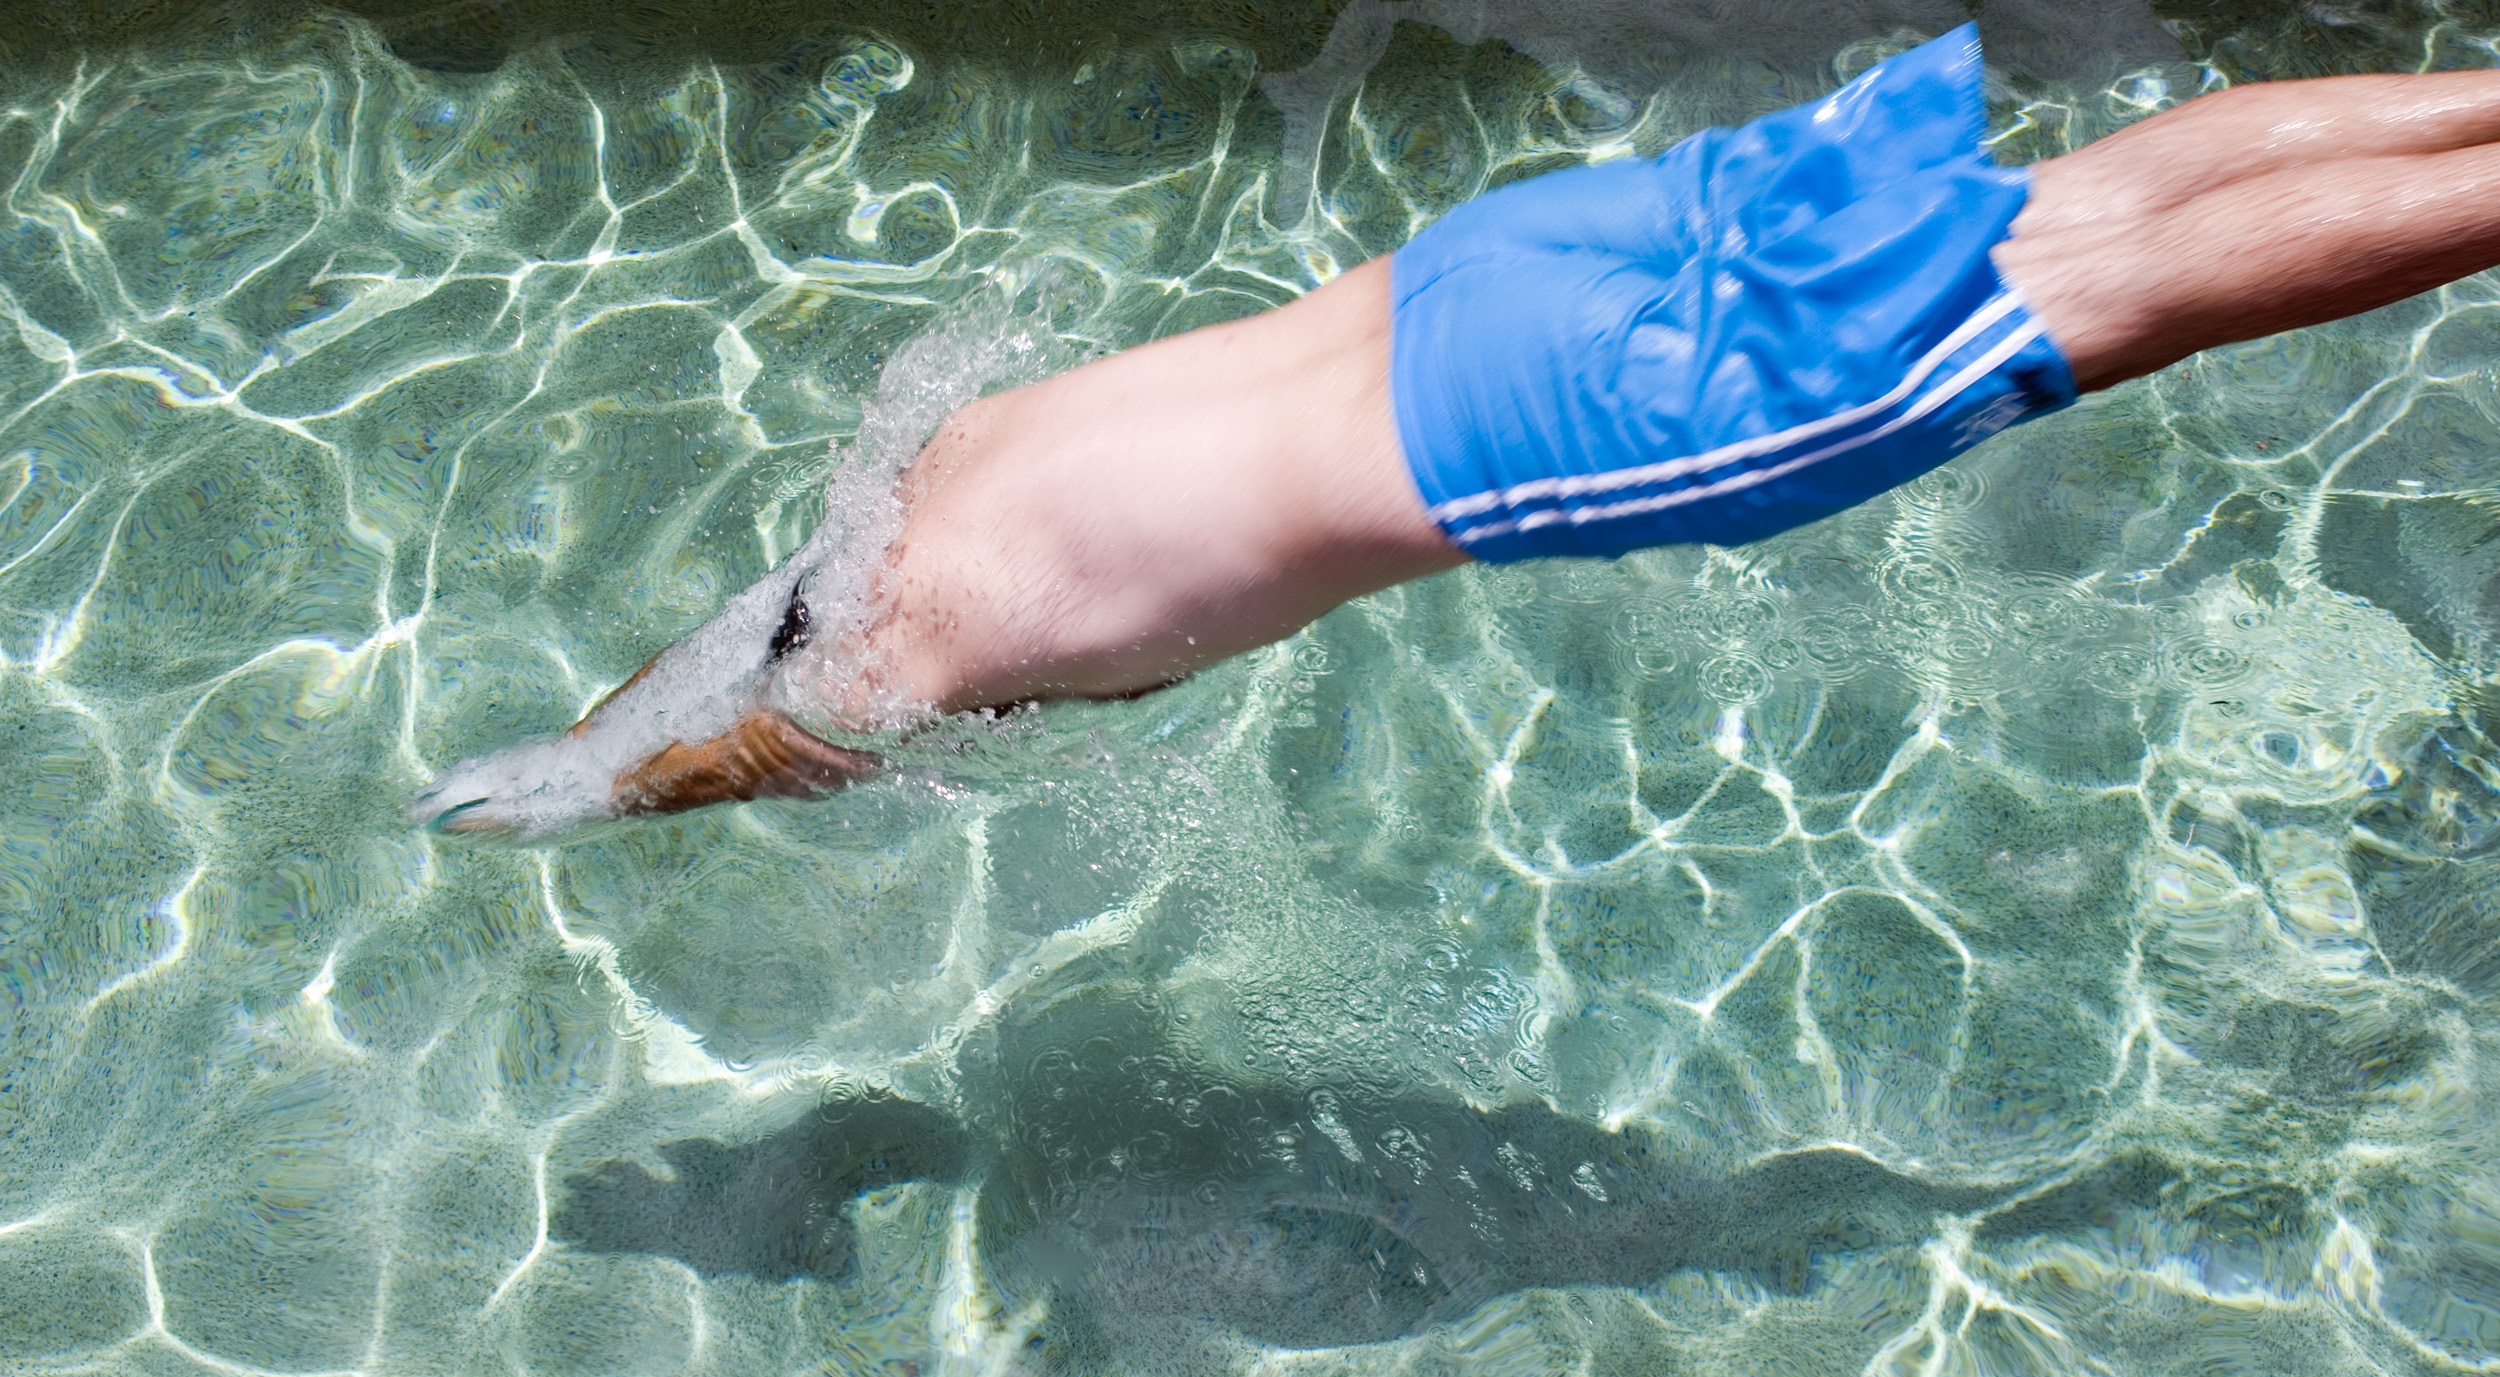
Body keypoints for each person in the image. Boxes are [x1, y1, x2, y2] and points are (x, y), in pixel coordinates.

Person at [412, 25, 2500, 836]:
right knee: (2072, 206)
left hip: (1525, 415)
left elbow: (713, 740)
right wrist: (596, 738)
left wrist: (574, 801)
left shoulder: (890, 666)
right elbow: (710, 671)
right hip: (1477, 274)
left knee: (2091, 297)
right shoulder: (912, 481)